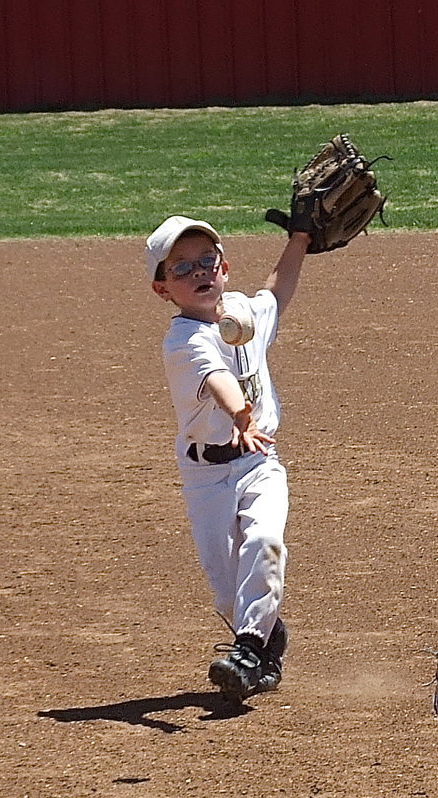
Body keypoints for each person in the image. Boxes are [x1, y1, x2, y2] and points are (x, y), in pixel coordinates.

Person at [145, 215, 310, 703]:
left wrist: (299, 239)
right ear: (162, 289)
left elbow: (276, 293)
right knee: (225, 588)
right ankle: (264, 636)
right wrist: (240, 412)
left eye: (207, 261)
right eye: (181, 268)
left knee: (264, 540)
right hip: (205, 474)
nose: (199, 272)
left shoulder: (241, 310)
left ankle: (250, 649)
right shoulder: (182, 341)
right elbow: (216, 376)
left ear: (224, 267)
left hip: (260, 461)